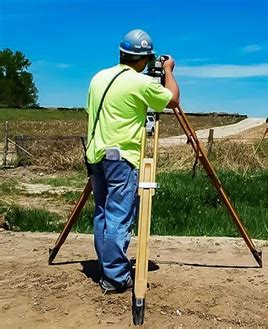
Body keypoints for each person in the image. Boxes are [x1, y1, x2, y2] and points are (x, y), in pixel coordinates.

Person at [85, 29, 180, 293]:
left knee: (103, 213)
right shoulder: (141, 83)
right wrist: (168, 71)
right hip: (121, 158)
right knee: (118, 215)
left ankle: (107, 266)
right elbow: (172, 99)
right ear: (144, 59)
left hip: (95, 154)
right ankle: (115, 277)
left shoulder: (98, 78)